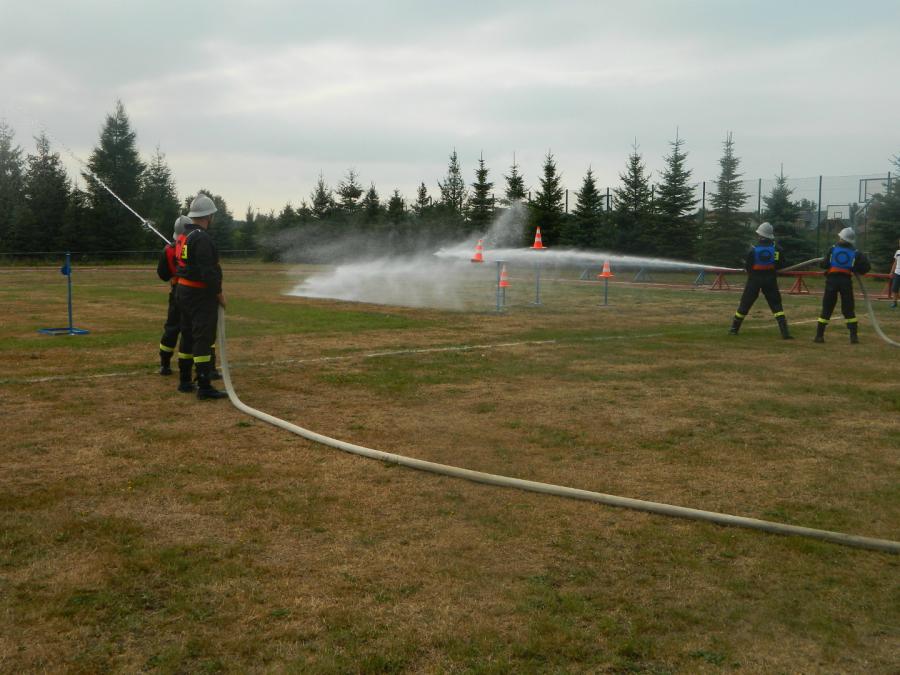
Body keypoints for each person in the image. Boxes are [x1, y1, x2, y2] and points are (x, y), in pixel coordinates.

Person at [174, 193, 228, 399]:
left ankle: (185, 381)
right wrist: (219, 293)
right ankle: (204, 386)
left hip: (183, 292)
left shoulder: (184, 235)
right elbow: (208, 271)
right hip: (199, 295)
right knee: (202, 338)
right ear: (208, 216)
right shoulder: (202, 238)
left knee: (187, 335)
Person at [728, 222, 793, 339]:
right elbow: (781, 264)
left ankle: (734, 329)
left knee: (745, 303)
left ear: (760, 235)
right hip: (770, 280)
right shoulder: (777, 249)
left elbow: (748, 266)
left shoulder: (753, 249)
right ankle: (785, 333)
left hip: (754, 280)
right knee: (776, 305)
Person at [814, 227, 871, 344]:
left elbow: (824, 264)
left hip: (832, 281)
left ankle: (819, 336)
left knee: (827, 308)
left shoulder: (832, 249)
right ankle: (853, 337)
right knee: (848, 309)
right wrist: (854, 268)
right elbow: (866, 268)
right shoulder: (856, 253)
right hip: (846, 282)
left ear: (841, 237)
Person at [156, 215, 192, 375]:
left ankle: (164, 364)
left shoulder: (168, 250)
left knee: (171, 327)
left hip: (177, 291)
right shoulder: (195, 246)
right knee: (190, 329)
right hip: (192, 292)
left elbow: (163, 275)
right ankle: (191, 367)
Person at [890, 237, 900, 308]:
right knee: (894, 288)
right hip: (897, 272)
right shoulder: (897, 252)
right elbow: (895, 263)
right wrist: (891, 272)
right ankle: (894, 302)